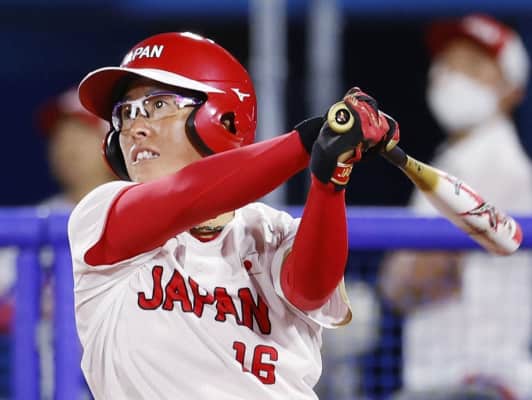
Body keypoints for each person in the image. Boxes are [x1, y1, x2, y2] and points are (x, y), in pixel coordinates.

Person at [68, 31, 399, 398]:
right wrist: (306, 142)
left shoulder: (271, 230)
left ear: (224, 119)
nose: (135, 128)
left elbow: (310, 292)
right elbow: (185, 194)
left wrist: (330, 179)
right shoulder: (99, 215)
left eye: (158, 105)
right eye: (125, 112)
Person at [379, 14, 532, 400]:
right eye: (448, 62)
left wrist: (403, 274)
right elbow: (398, 285)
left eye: (473, 66)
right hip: (439, 380)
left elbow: (413, 278)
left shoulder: (501, 165)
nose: (453, 74)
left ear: (511, 90)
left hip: (481, 382)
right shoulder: (449, 163)